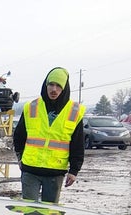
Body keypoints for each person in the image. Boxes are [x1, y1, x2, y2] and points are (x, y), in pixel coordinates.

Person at [13, 67, 85, 203]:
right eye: (51, 84)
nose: (54, 89)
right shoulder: (31, 107)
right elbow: (19, 136)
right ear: (46, 85)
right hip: (30, 171)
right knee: (29, 212)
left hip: (55, 173)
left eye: (58, 86)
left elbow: (77, 144)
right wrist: (19, 157)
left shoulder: (74, 111)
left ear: (64, 88)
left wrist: (74, 170)